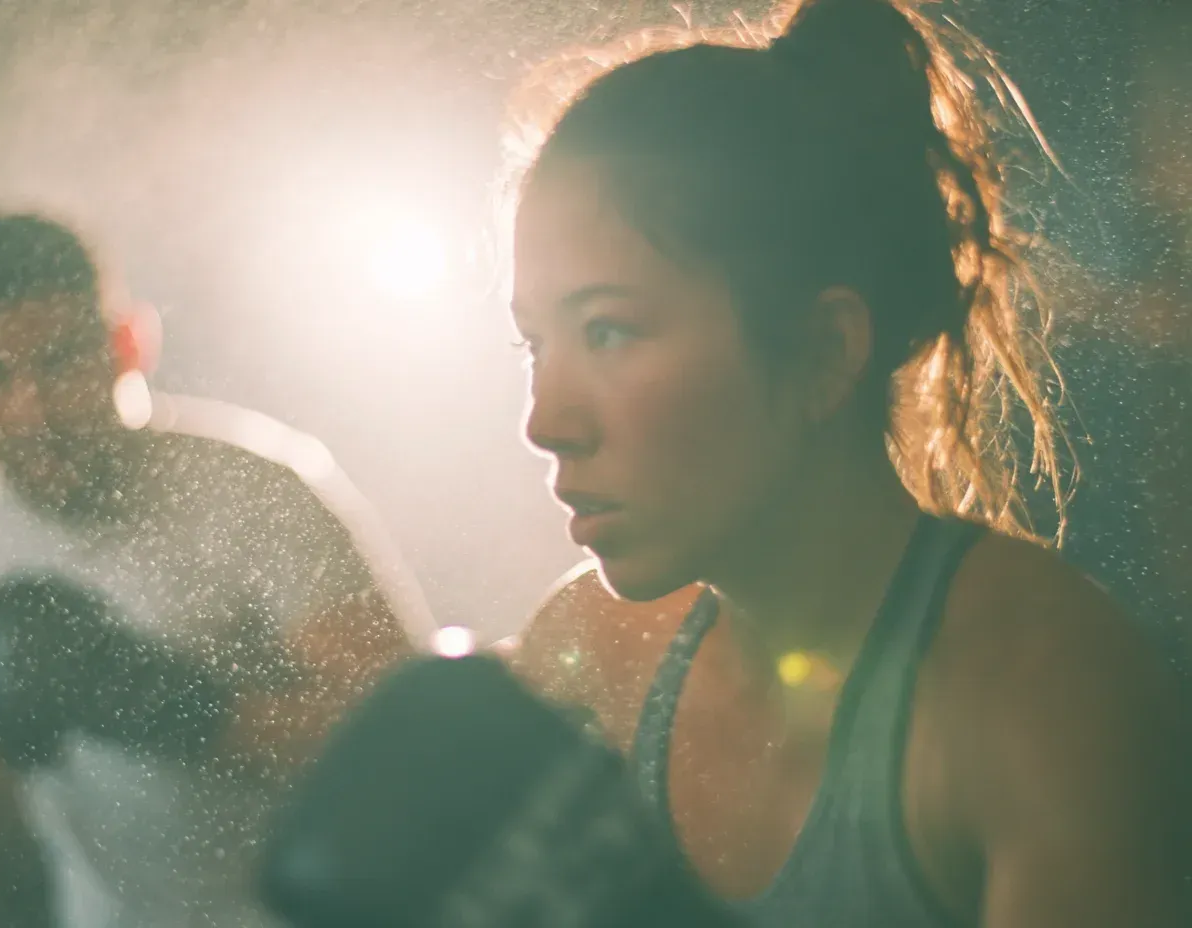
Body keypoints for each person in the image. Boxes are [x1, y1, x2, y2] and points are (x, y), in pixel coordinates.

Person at [503, 0, 1191, 925]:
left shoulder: (1038, 685)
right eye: (534, 344)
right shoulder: (585, 663)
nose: (546, 421)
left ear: (827, 352)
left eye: (610, 330)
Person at [0, 212, 431, 926]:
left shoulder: (251, 490)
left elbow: (412, 739)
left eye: (59, 361)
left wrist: (186, 714)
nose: (32, 411)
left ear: (126, 344)